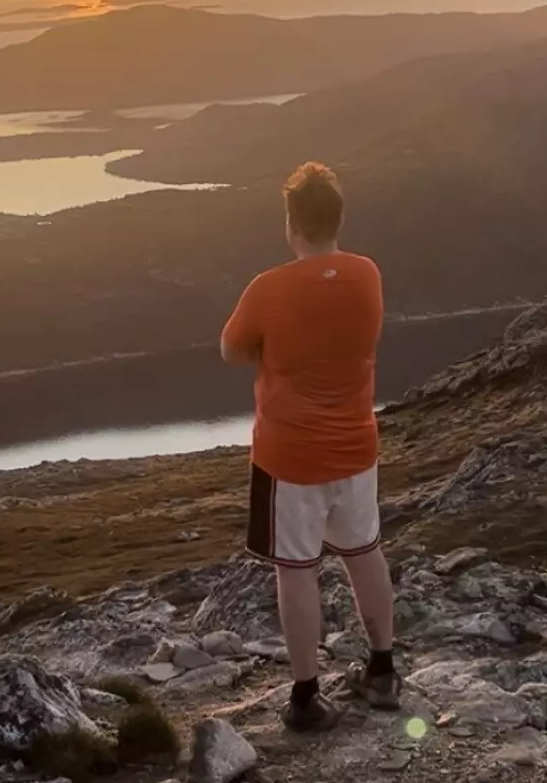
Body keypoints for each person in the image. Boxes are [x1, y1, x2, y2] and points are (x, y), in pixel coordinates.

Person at [220, 161, 400, 732]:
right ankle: (382, 669)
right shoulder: (366, 273)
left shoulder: (269, 287)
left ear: (291, 223)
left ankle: (305, 698)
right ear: (338, 218)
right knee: (363, 551)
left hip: (289, 458)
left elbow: (232, 349)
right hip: (356, 448)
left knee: (296, 570)